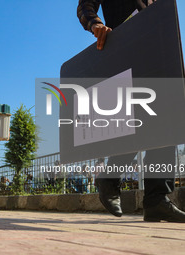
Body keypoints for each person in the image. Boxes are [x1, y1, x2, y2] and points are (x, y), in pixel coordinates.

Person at [77, 0, 185, 222]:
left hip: (158, 50)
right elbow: (85, 6)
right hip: (126, 49)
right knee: (137, 120)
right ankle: (109, 178)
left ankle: (156, 200)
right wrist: (95, 24)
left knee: (167, 123)